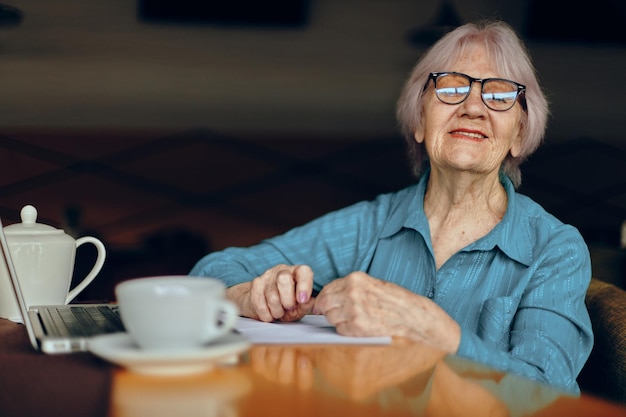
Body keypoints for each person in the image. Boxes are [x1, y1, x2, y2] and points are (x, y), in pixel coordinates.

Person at [190, 20, 593, 393]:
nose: (473, 107)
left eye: (500, 94)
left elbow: (548, 394)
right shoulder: (370, 224)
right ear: (420, 121)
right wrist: (247, 294)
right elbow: (210, 272)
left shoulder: (555, 249)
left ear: (519, 135)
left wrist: (434, 330)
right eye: (451, 87)